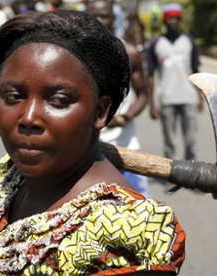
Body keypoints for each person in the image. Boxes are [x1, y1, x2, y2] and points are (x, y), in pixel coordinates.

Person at [0, 10, 185, 275]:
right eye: (13, 96)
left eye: (59, 101)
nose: (28, 118)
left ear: (100, 112)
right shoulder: (18, 180)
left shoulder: (118, 227)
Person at [86, 0, 151, 198]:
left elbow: (143, 95)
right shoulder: (71, 54)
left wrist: (124, 117)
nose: (98, 21)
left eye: (104, 16)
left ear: (113, 18)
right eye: (93, 16)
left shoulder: (129, 54)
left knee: (139, 216)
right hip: (84, 154)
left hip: (124, 149)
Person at [146, 2, 203, 162]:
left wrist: (200, 96)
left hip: (188, 98)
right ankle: (172, 176)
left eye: (176, 18)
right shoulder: (156, 44)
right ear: (164, 20)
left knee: (191, 141)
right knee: (169, 142)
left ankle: (192, 175)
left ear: (180, 20)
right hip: (167, 99)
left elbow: (196, 69)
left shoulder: (189, 41)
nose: (173, 21)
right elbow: (150, 74)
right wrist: (152, 103)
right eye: (170, 18)